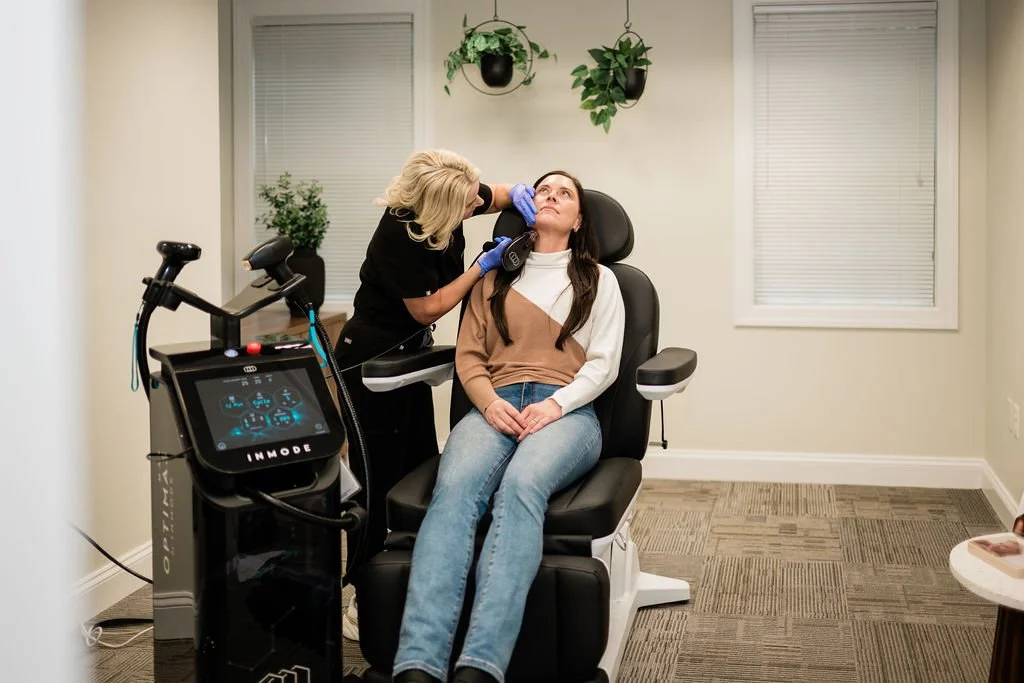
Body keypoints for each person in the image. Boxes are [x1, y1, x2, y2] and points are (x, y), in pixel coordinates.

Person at [391, 171, 626, 683]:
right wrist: (489, 402)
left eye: (566, 193)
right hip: (492, 405)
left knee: (520, 487)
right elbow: (470, 356)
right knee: (453, 492)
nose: (552, 197)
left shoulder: (600, 279)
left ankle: (481, 665)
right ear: (529, 205)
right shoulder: (494, 276)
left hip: (568, 413)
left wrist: (556, 406)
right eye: (543, 190)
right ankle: (419, 664)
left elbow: (603, 364)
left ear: (579, 218)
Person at [335, 149, 539, 641]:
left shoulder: (458, 195)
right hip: (372, 363)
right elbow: (427, 309)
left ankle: (413, 581)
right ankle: (364, 594)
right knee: (377, 483)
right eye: (469, 206)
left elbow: (502, 193)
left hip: (410, 359)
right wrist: (480, 266)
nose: (477, 206)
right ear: (439, 211)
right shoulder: (398, 237)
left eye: (475, 198)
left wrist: (528, 196)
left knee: (421, 468)